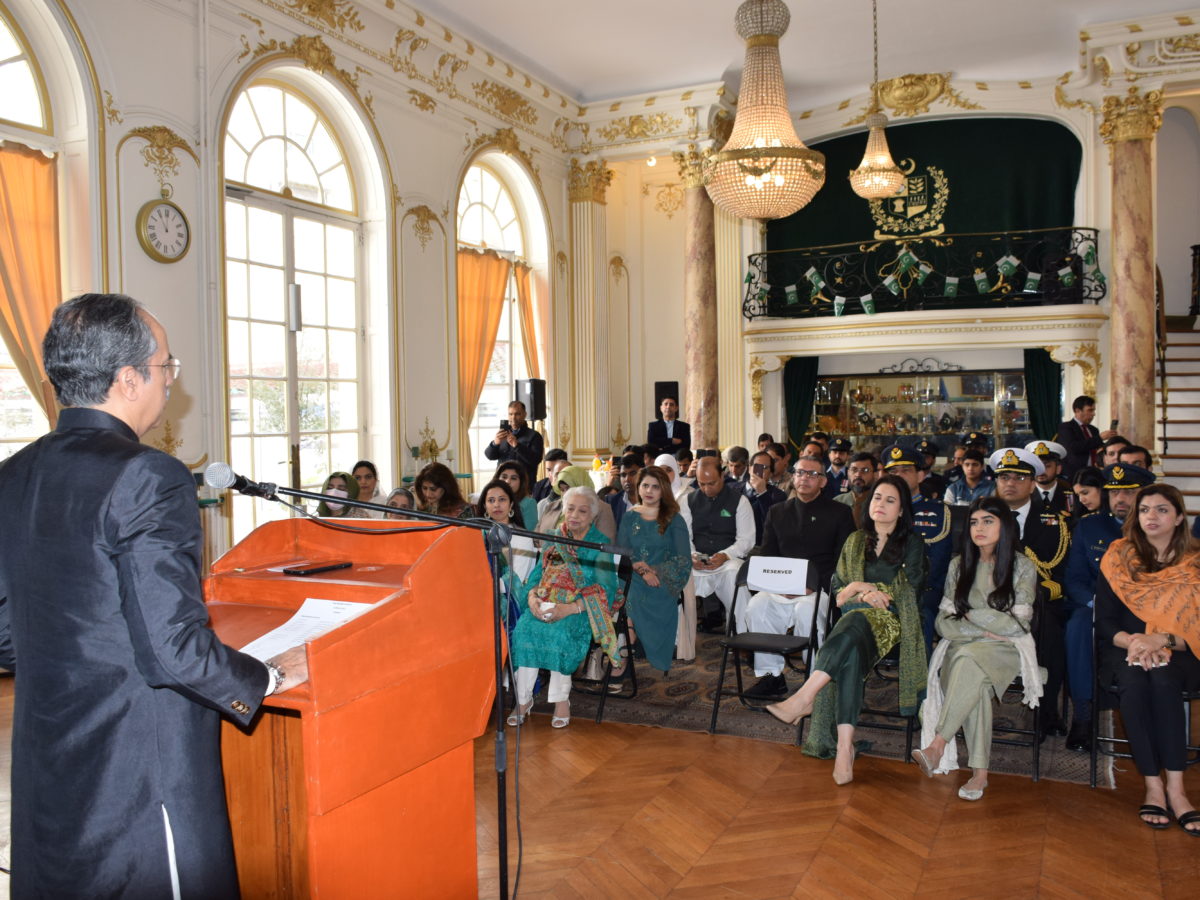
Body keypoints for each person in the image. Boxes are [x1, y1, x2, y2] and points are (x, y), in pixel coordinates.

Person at [0, 293, 307, 898]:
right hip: (136, 773)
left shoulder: (12, 475)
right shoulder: (148, 475)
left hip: (46, 762)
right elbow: (172, 650)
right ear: (127, 378)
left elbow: (6, 633)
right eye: (166, 365)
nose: (171, 380)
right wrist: (268, 676)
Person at [765, 474, 927, 785]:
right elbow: (840, 595)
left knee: (852, 626)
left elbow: (911, 590)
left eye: (890, 500)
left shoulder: (912, 544)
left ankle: (805, 697)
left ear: (902, 510)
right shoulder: (855, 541)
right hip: (855, 618)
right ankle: (843, 748)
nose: (881, 504)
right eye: (877, 497)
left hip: (894, 621)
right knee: (851, 646)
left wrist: (866, 592)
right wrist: (861, 589)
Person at [912, 497, 1042, 801]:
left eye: (987, 521)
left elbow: (1018, 625)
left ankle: (937, 745)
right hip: (964, 645)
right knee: (973, 673)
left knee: (968, 661)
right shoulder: (959, 565)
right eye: (973, 522)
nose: (978, 528)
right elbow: (943, 623)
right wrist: (984, 628)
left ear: (1005, 526)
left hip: (1006, 650)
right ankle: (979, 774)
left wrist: (970, 615)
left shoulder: (1022, 566)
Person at [1096, 484, 1200, 835]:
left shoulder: (1195, 563)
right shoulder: (1118, 558)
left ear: (1179, 517)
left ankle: (1177, 790)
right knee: (1136, 682)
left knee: (1164, 679)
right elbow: (1105, 622)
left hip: (1183, 650)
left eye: (1161, 509)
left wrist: (1162, 639)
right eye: (1144, 510)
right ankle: (1154, 786)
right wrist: (1136, 642)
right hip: (1125, 648)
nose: (1151, 516)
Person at [742, 455, 855, 699]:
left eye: (812, 474)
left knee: (807, 611)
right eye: (800, 472)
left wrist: (811, 586)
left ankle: (815, 679)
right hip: (781, 587)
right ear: (793, 477)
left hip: (819, 588)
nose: (804, 478)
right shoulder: (778, 512)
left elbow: (844, 562)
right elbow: (768, 555)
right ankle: (772, 676)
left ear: (823, 481)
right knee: (757, 606)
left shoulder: (840, 513)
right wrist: (779, 585)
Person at [1062, 463, 1155, 752]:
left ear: (1143, 494)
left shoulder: (1154, 527)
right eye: (1114, 493)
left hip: (1142, 610)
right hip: (1096, 605)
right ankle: (1083, 713)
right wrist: (1095, 604)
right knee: (1078, 624)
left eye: (1128, 492)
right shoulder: (1089, 526)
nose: (1120, 499)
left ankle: (1150, 713)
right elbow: (1075, 578)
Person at [509, 486, 619, 728]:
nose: (574, 515)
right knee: (525, 630)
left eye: (582, 511)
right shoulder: (553, 538)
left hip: (578, 608)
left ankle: (561, 700)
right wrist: (532, 599)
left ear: (593, 515)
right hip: (544, 602)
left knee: (560, 633)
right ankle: (523, 700)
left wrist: (569, 609)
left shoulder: (599, 544)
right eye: (570, 509)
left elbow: (606, 589)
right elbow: (536, 577)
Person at [989, 446, 1071, 737]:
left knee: (1050, 632)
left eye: (1019, 478)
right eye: (1004, 477)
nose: (1010, 483)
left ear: (1033, 482)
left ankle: (1047, 711)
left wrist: (1035, 596)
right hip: (990, 600)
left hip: (1039, 603)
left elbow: (1061, 573)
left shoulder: (1056, 521)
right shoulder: (983, 517)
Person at [616, 466, 692, 674]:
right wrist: (639, 568)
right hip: (633, 575)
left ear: (664, 490)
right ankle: (628, 636)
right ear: (638, 488)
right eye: (645, 485)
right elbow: (622, 552)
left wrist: (654, 570)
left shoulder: (674, 519)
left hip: (662, 580)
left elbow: (683, 560)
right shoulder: (630, 517)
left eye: (655, 487)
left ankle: (625, 646)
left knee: (630, 590)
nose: (649, 491)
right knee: (623, 586)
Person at [689, 457, 756, 632]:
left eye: (711, 483)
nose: (706, 489)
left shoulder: (740, 501)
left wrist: (726, 555)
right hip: (696, 561)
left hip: (728, 561)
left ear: (722, 476)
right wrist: (692, 555)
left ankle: (741, 633)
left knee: (734, 574)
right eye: (701, 484)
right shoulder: (687, 501)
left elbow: (746, 540)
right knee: (673, 574)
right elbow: (684, 537)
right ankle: (677, 638)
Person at [479, 479, 538, 634]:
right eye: (491, 500)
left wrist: (480, 588)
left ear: (511, 505)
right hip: (481, 595)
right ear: (485, 506)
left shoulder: (522, 537)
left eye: (502, 499)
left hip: (511, 601)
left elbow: (515, 580)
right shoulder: (478, 536)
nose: (496, 505)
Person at [536, 464, 617, 539]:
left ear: (580, 485)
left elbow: (606, 543)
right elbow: (536, 536)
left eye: (568, 488)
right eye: (562, 490)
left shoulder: (602, 509)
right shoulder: (552, 506)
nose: (565, 494)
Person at [483, 399, 545, 483]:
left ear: (525, 414)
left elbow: (536, 460)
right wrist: (495, 443)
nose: (513, 418)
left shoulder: (535, 436)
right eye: (510, 414)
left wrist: (517, 446)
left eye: (517, 414)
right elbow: (489, 456)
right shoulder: (503, 434)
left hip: (525, 484)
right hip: (503, 483)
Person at [1055, 395, 1116, 479]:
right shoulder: (1066, 427)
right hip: (1074, 474)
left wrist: (1111, 442)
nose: (1093, 414)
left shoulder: (1093, 429)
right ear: (1077, 411)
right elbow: (1074, 447)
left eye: (1094, 410)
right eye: (1090, 410)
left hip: (1094, 472)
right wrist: (1099, 438)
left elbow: (1098, 447)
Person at [1026, 440, 1071, 515]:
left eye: (1047, 466)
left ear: (1058, 469)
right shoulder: (1023, 493)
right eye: (1037, 467)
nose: (1041, 471)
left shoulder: (1070, 492)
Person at [835, 452, 878, 527]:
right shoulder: (837, 502)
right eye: (854, 470)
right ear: (848, 473)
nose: (858, 475)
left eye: (865, 470)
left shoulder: (880, 503)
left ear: (875, 475)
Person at [494, 459, 538, 528]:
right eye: (504, 477)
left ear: (521, 483)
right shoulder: (489, 501)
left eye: (513, 478)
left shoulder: (529, 503)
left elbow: (530, 532)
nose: (507, 481)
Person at [606, 452, 643, 528]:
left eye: (632, 473)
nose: (627, 479)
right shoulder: (612, 502)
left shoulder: (653, 501)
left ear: (642, 473)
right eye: (623, 475)